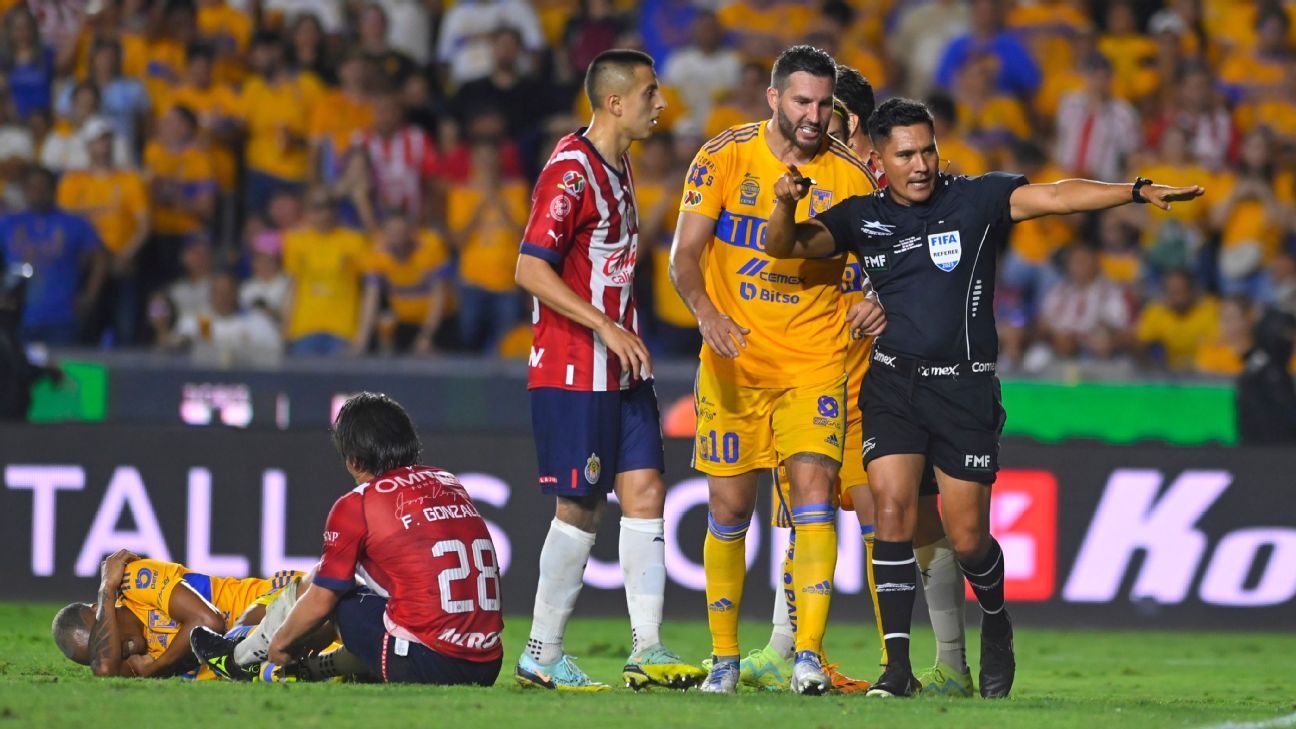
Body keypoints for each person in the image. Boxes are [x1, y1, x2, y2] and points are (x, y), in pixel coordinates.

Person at [763, 97, 1204, 698]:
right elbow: (784, 246)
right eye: (906, 154)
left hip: (963, 389)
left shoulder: (974, 200)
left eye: (928, 150)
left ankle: (996, 622)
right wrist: (785, 204)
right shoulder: (861, 216)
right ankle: (897, 669)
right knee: (892, 512)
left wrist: (1134, 190)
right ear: (878, 161)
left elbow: (1057, 196)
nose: (921, 164)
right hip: (892, 385)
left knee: (967, 539)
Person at [668, 45, 881, 695]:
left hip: (815, 362)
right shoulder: (724, 156)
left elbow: (888, 258)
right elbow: (684, 256)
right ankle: (725, 658)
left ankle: (807, 657)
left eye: (823, 104)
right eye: (801, 101)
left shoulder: (851, 175)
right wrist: (707, 313)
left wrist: (879, 296)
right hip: (735, 362)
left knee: (814, 496)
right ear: (774, 99)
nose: (814, 115)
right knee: (729, 507)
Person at [513, 48, 702, 692]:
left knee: (647, 491)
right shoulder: (571, 171)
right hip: (575, 366)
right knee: (580, 506)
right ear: (616, 102)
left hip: (623, 365)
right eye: (651, 92)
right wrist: (604, 324)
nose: (662, 103)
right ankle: (541, 653)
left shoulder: (619, 165)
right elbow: (529, 267)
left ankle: (647, 648)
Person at [247, 392, 504, 685]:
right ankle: (312, 669)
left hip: (426, 664)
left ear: (354, 460)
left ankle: (252, 657)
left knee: (337, 594)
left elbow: (322, 599)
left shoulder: (357, 503)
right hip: (488, 665)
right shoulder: (448, 481)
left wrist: (280, 645)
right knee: (387, 599)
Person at [51, 549, 302, 680]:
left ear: (100, 611)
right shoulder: (126, 659)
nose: (119, 651)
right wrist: (105, 589)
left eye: (104, 639)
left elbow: (209, 621)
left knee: (244, 637)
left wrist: (158, 668)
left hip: (273, 601)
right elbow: (105, 668)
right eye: (101, 651)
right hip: (254, 651)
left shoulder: (134, 581)